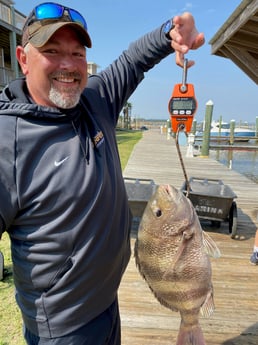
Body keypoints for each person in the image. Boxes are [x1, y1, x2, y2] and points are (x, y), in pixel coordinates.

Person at [0, 2, 204, 344]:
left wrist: (172, 30)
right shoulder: (7, 140)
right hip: (64, 330)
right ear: (23, 58)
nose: (68, 65)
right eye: (52, 51)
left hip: (108, 304)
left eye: (77, 53)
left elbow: (132, 60)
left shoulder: (94, 99)